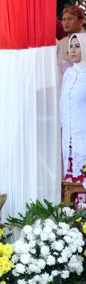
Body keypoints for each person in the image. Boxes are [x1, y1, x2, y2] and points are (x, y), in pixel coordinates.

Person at [61, 33, 86, 182]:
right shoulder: (68, 74)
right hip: (69, 138)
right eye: (71, 46)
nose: (73, 50)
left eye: (77, 46)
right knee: (70, 183)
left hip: (83, 135)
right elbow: (62, 104)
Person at [58, 5, 85, 75]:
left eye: (70, 19)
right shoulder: (60, 43)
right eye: (64, 19)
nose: (66, 22)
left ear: (81, 21)